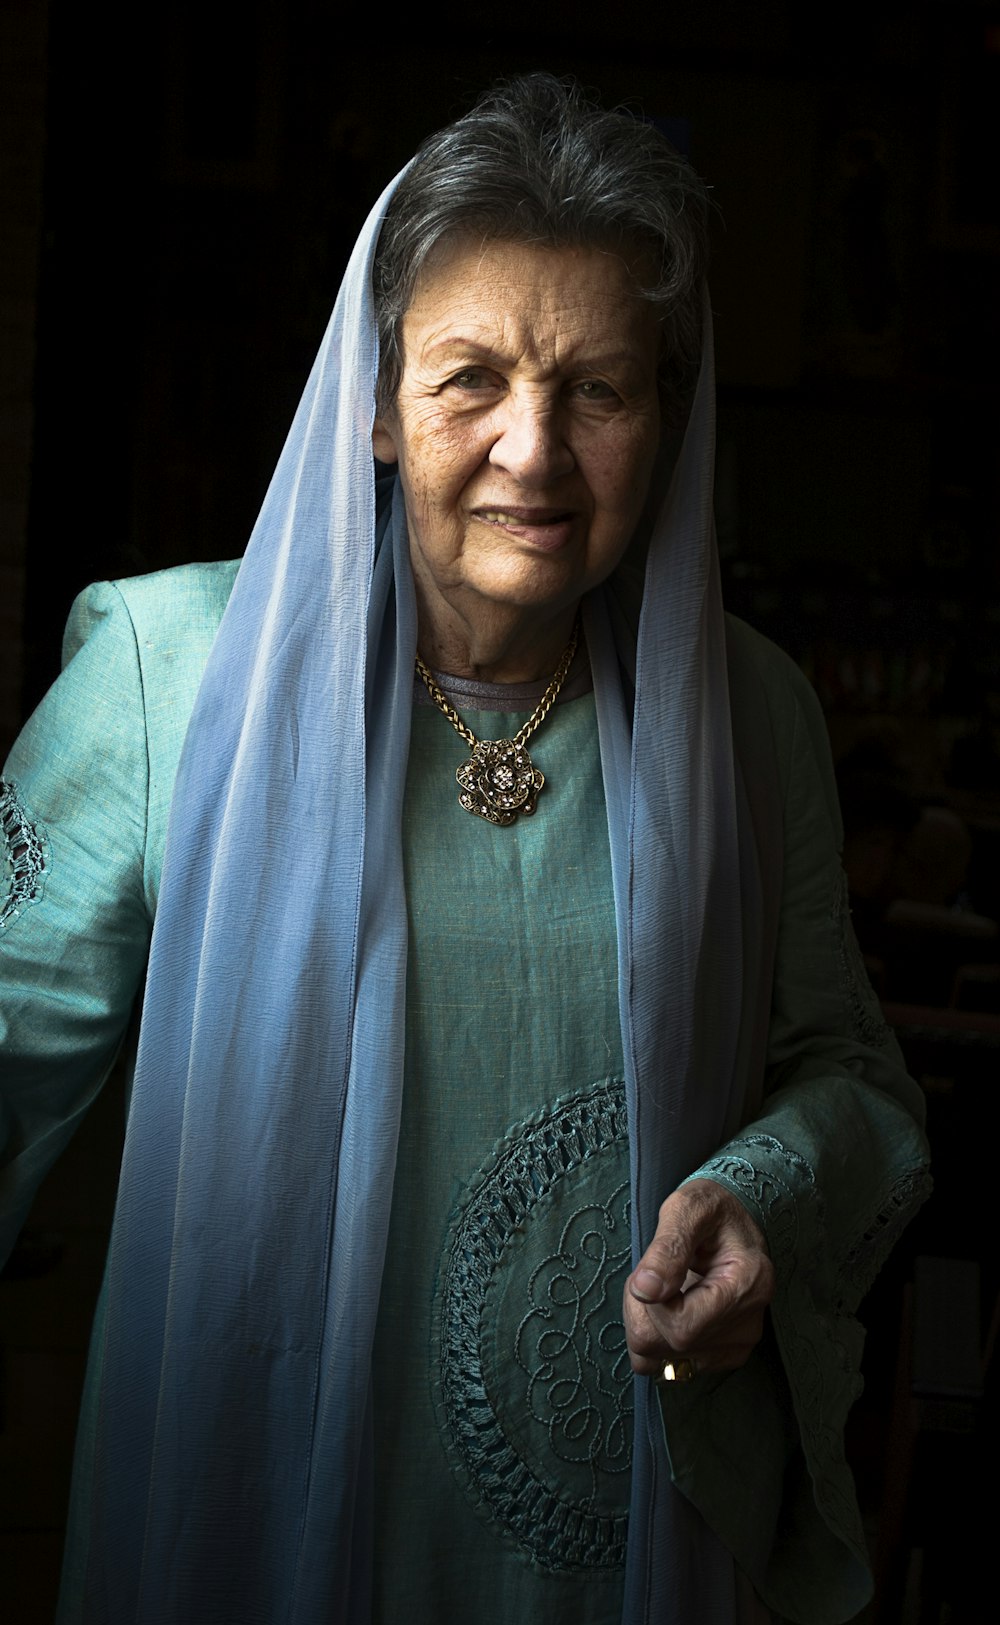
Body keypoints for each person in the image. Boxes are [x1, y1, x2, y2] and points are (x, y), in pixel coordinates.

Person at [0, 74, 930, 1625]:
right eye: (469, 378)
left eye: (601, 390)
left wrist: (764, 1192)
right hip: (255, 1520)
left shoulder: (749, 716)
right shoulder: (173, 676)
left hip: (623, 1542)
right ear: (372, 401)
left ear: (670, 423)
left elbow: (848, 1072)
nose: (534, 449)